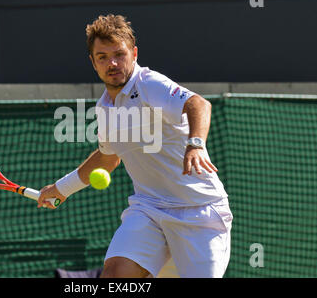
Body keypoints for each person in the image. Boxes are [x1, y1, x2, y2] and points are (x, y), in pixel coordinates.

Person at [38, 14, 233, 278]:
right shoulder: (104, 107)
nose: (112, 63)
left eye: (119, 54)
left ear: (134, 53)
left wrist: (196, 144)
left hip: (199, 213)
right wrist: (61, 188)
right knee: (116, 275)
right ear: (93, 62)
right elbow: (108, 158)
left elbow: (199, 104)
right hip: (149, 210)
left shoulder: (149, 83)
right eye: (103, 57)